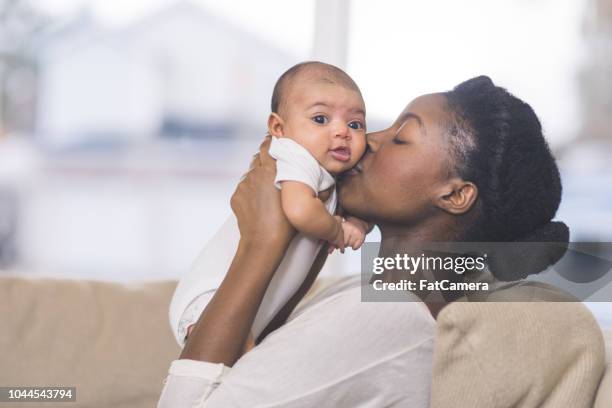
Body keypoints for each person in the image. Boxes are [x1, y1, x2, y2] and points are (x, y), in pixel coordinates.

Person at [158, 76, 580, 407]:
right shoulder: (378, 296)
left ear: (455, 195)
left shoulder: (389, 315)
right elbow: (254, 371)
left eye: (401, 137)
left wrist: (260, 245)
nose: (368, 140)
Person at [168, 61, 370, 346]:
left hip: (255, 306)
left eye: (355, 124)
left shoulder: (328, 173)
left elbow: (362, 206)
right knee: (236, 368)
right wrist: (338, 231)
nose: (342, 132)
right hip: (211, 297)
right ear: (279, 127)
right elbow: (300, 210)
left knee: (242, 370)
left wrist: (358, 223)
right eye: (321, 119)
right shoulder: (293, 155)